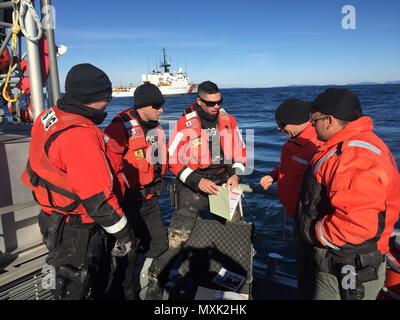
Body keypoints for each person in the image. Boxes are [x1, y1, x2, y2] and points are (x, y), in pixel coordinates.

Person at [21, 63, 134, 300]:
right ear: (91, 99)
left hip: (53, 218)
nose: (109, 102)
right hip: (77, 229)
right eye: (107, 97)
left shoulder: (50, 115)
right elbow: (99, 202)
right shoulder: (79, 136)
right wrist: (124, 234)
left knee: (60, 276)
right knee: (78, 287)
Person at [145, 80, 247, 300]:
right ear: (199, 101)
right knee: (177, 241)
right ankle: (156, 282)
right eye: (211, 103)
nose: (216, 107)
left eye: (219, 102)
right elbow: (171, 157)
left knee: (232, 233)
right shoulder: (184, 125)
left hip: (222, 187)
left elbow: (240, 150)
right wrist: (196, 181)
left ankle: (220, 283)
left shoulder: (229, 121)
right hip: (193, 189)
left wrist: (236, 174)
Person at [297, 88, 400, 300]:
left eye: (314, 120)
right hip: (348, 257)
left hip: (346, 262)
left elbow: (357, 226)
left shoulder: (353, 158)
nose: (311, 125)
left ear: (329, 121)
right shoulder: (361, 143)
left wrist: (315, 232)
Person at [104, 83, 169, 299]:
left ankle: (148, 279)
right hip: (127, 203)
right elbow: (108, 169)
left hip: (150, 199)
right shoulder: (118, 128)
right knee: (127, 255)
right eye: (157, 105)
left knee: (159, 244)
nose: (162, 110)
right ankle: (125, 291)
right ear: (142, 105)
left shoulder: (156, 127)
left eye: (162, 105)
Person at [259, 98, 320, 299]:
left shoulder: (317, 145)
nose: (278, 129)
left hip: (312, 223)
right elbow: (291, 167)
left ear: (296, 122)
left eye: (281, 125)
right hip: (297, 217)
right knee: (303, 269)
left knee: (314, 273)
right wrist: (274, 175)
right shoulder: (293, 142)